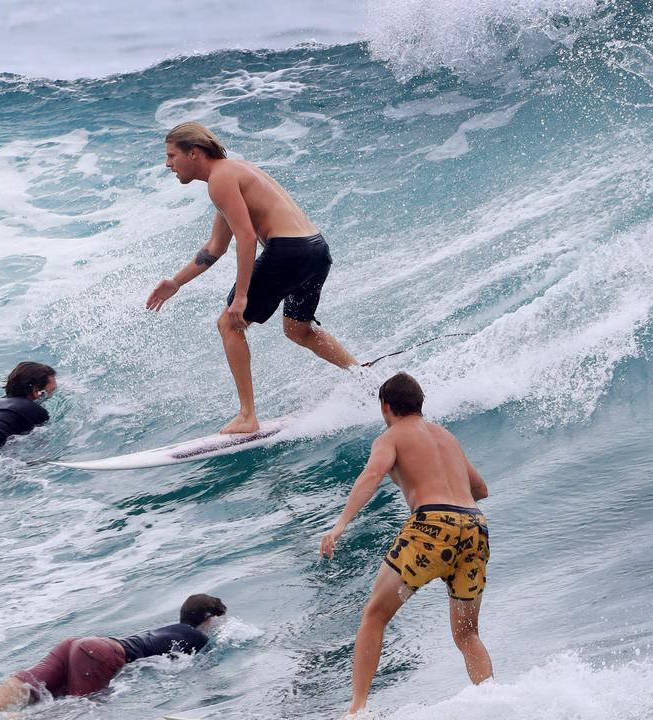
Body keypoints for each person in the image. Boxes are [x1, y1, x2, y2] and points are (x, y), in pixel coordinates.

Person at [145, 122, 357, 434]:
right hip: (315, 250)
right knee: (298, 330)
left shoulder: (220, 180)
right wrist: (176, 282)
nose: (167, 164)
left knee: (228, 323)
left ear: (193, 153)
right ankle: (363, 375)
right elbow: (215, 247)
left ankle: (247, 416)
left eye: (171, 155)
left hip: (288, 250)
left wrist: (241, 297)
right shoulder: (231, 174)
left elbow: (245, 237)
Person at [319, 372, 492, 716]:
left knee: (374, 616)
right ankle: (492, 701)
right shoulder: (446, 436)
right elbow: (481, 490)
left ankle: (356, 711)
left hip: (431, 527)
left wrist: (339, 525)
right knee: (467, 634)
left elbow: (371, 475)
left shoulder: (391, 436)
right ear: (420, 403)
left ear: (385, 406)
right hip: (474, 528)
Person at [0, 593, 228, 718]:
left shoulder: (170, 629)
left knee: (22, 691)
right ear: (209, 619)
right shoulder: (198, 637)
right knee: (82, 709)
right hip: (98, 653)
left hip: (77, 645)